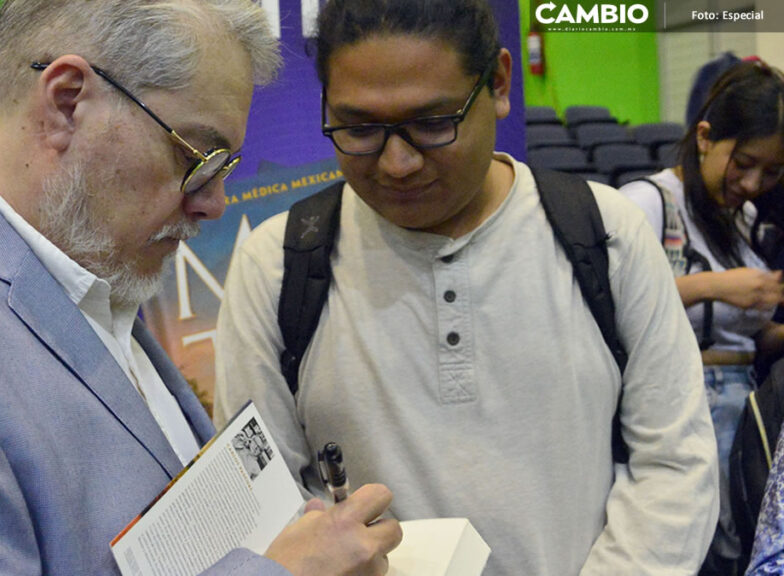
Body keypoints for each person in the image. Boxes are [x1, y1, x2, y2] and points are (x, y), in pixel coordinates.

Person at [0, 1, 401, 574]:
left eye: (224, 166)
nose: (215, 203)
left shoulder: (85, 262)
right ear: (67, 100)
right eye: (196, 158)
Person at [213, 0, 718, 574]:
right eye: (359, 128)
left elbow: (675, 462)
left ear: (499, 83)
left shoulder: (605, 234)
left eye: (432, 123)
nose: (397, 163)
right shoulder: (276, 267)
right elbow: (259, 500)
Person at [620, 60, 784, 574]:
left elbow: (749, 343)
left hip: (744, 405)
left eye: (773, 171)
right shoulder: (645, 204)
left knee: (740, 548)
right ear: (707, 137)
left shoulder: (745, 217)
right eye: (745, 162)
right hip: (682, 405)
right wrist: (715, 286)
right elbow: (613, 310)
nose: (753, 183)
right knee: (694, 551)